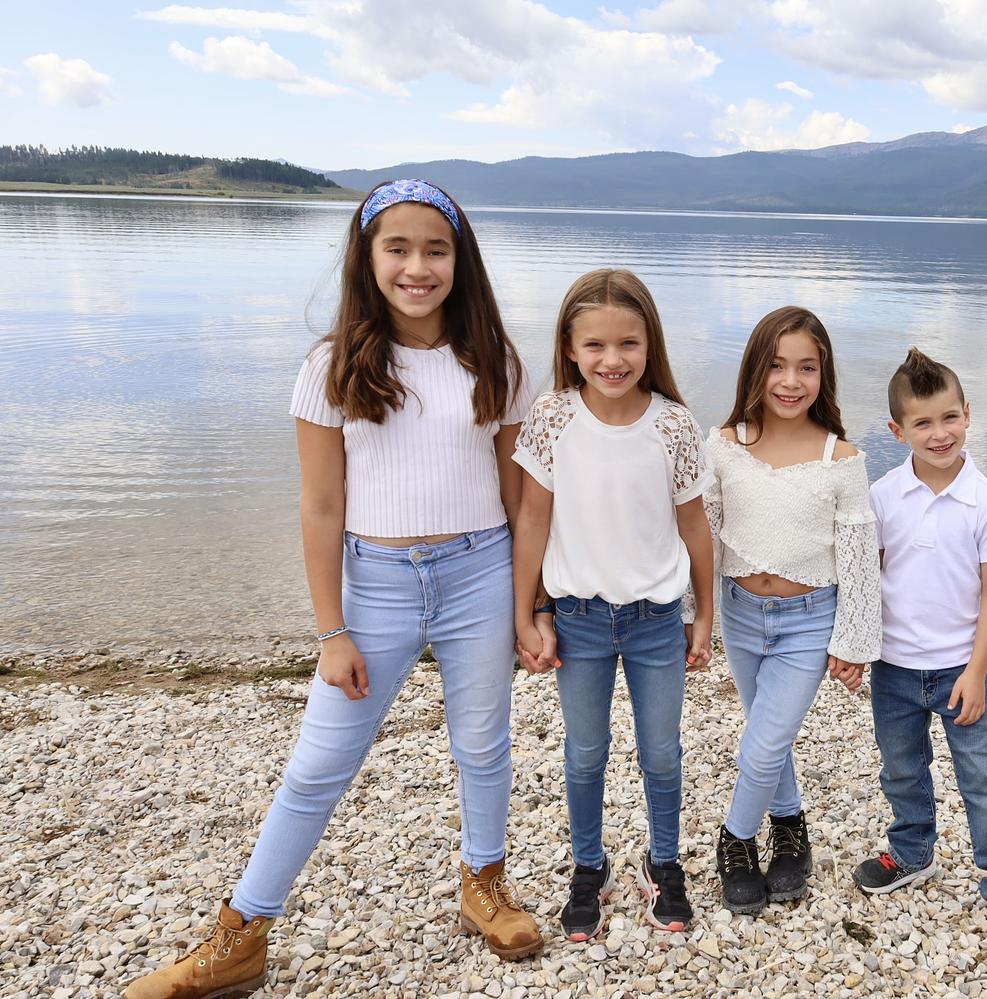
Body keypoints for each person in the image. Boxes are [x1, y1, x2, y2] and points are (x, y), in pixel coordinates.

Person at [126, 180, 542, 999]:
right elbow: (320, 506)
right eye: (398, 248)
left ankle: (484, 884)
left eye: (436, 250)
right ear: (366, 257)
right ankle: (240, 935)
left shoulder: (497, 361)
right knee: (319, 764)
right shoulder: (332, 365)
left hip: (481, 572)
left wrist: (533, 604)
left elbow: (520, 499)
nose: (417, 267)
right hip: (375, 586)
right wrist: (330, 630)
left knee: (483, 744)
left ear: (460, 260)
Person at [510, 268, 713, 942]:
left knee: (662, 753)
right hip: (579, 620)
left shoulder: (673, 425)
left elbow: (694, 525)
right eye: (594, 345)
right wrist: (525, 613)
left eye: (628, 343)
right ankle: (588, 867)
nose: (612, 359)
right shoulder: (552, 417)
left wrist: (704, 613)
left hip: (656, 620)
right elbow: (532, 519)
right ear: (570, 349)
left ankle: (664, 863)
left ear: (650, 345)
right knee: (584, 753)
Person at [853, 347, 987, 964]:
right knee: (901, 768)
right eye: (923, 423)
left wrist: (976, 671)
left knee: (985, 779)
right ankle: (912, 851)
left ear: (968, 413)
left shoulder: (986, 501)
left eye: (949, 418)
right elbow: (867, 579)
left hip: (959, 670)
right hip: (893, 667)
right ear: (897, 430)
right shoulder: (882, 495)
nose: (939, 434)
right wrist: (853, 647)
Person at [704, 306, 881, 914]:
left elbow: (857, 557)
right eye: (777, 365)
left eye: (807, 367)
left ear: (823, 375)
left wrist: (854, 641)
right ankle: (790, 826)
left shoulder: (842, 458)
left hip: (810, 618)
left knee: (765, 741)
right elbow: (703, 536)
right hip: (739, 612)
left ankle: (734, 839)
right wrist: (693, 616)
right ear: (755, 368)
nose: (790, 381)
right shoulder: (725, 445)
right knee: (765, 730)